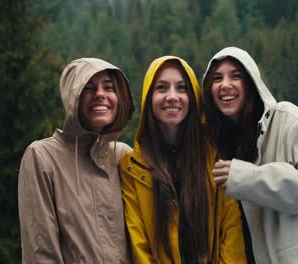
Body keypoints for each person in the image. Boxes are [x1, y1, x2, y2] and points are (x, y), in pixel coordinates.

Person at [202, 47, 298, 264]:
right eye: (217, 78)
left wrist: (248, 178)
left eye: (236, 76)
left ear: (252, 83)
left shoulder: (286, 119)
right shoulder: (214, 147)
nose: (225, 84)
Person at [119, 56, 247, 263]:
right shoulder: (132, 168)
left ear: (193, 96)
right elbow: (139, 244)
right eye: (161, 88)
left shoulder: (215, 156)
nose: (172, 96)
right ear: (148, 98)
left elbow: (231, 229)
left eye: (181, 88)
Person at [18, 58, 135, 263]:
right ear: (72, 97)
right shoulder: (42, 156)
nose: (100, 94)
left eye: (108, 87)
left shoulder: (122, 156)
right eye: (88, 88)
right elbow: (40, 251)